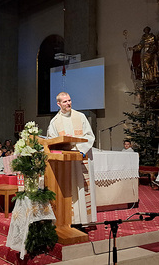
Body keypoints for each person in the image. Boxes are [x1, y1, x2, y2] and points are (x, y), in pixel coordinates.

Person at [47, 92, 97, 225]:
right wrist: (65, 143)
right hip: (66, 162)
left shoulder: (80, 117)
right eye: (65, 102)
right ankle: (71, 221)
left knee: (81, 189)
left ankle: (83, 221)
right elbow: (51, 142)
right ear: (58, 104)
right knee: (70, 189)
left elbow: (90, 136)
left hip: (80, 157)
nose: (68, 103)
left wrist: (79, 149)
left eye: (69, 100)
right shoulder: (54, 122)